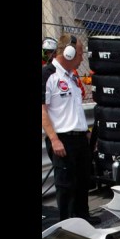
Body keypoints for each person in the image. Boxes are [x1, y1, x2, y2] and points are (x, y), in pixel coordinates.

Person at [41, 34, 100, 225]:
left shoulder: (73, 77)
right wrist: (54, 139)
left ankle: (83, 219)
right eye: (80, 53)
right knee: (66, 186)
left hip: (80, 139)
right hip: (62, 140)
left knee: (83, 181)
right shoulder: (48, 74)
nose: (82, 58)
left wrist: (86, 131)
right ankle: (66, 225)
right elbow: (42, 109)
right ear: (69, 52)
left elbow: (74, 108)